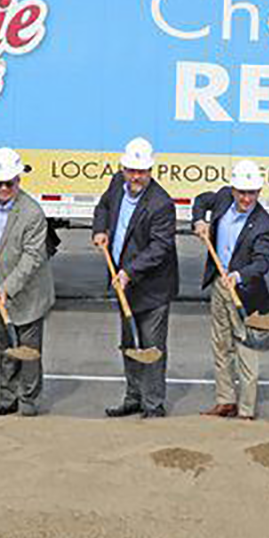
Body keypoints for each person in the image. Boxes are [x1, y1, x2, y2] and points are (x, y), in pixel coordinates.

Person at [93, 137, 179, 419]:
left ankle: (153, 405)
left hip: (152, 288)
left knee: (151, 348)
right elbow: (103, 207)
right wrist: (100, 229)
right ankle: (133, 397)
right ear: (123, 168)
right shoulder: (117, 185)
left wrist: (129, 271)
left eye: (141, 171)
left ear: (151, 171)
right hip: (124, 284)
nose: (136, 176)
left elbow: (159, 248)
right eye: (131, 170)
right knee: (130, 343)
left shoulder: (161, 203)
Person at [192, 160, 269, 421]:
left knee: (246, 350)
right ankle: (225, 401)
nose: (246, 198)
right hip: (220, 285)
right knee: (221, 345)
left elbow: (261, 263)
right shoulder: (221, 199)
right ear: (233, 189)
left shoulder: (264, 224)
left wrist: (239, 275)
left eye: (252, 193)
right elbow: (199, 200)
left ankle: (247, 411)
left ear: (259, 192)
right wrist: (199, 221)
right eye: (242, 192)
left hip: (246, 293)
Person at [0, 147, 55, 418]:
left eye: (8, 183)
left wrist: (7, 289)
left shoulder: (32, 213)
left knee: (28, 350)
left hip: (28, 293)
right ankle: (7, 397)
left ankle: (28, 400)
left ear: (18, 181)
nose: (2, 188)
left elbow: (32, 259)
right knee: (7, 348)